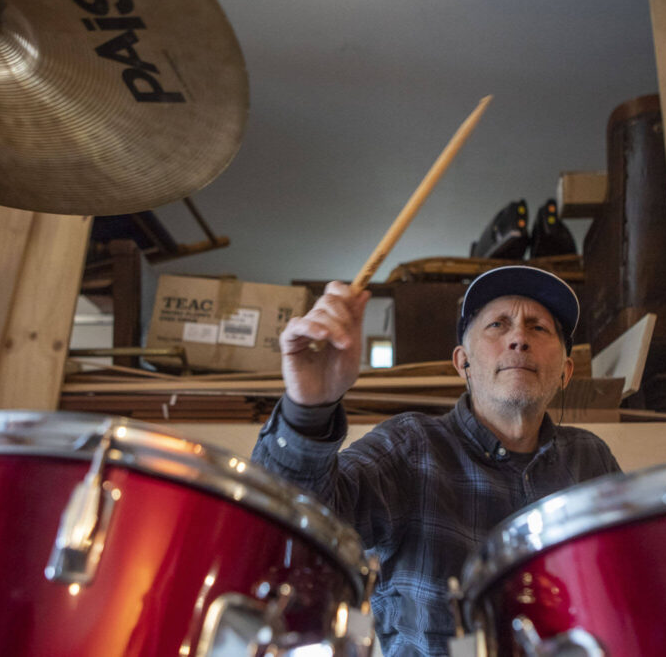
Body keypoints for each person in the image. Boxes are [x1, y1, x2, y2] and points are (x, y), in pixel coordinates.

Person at [252, 266, 620, 655]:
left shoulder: (590, 458)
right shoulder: (412, 446)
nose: (518, 338)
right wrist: (309, 408)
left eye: (538, 328)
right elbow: (293, 523)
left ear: (565, 372)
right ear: (463, 362)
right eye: (498, 324)